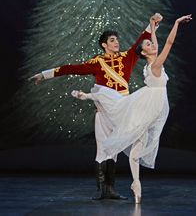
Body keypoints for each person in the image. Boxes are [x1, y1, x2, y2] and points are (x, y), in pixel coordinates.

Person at [29, 14, 162, 200]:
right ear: (104, 45)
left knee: (115, 151)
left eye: (117, 39)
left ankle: (111, 190)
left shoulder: (127, 57)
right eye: (112, 40)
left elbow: (141, 40)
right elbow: (70, 68)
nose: (116, 42)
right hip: (105, 112)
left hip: (123, 111)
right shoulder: (97, 63)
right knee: (103, 150)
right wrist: (44, 75)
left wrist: (152, 24)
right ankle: (104, 190)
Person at [71, 13, 192, 203]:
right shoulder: (156, 65)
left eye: (152, 45)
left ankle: (136, 183)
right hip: (149, 105)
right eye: (149, 46)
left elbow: (157, 43)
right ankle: (88, 96)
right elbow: (168, 44)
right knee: (134, 141)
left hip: (148, 102)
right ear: (144, 53)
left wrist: (152, 25)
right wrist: (176, 23)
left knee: (135, 150)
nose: (153, 45)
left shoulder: (152, 61)